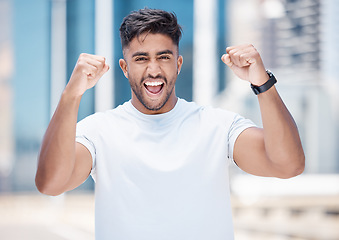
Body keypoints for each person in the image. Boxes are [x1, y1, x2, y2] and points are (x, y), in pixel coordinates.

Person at [35, 8, 305, 240]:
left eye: (163, 57)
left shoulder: (218, 126)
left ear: (178, 64)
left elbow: (288, 164)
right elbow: (50, 184)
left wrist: (263, 83)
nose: (153, 70)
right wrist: (71, 95)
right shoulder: (99, 131)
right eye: (141, 59)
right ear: (125, 67)